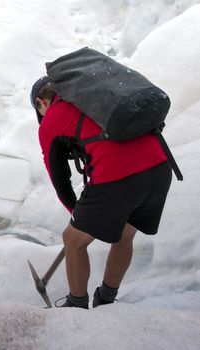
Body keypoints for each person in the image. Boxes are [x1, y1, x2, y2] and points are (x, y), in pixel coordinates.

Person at [30, 76, 172, 309]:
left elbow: (59, 177)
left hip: (118, 177)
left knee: (73, 239)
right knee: (125, 235)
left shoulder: (52, 120)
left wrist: (76, 214)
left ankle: (76, 305)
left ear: (40, 102)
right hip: (159, 168)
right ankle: (106, 299)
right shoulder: (95, 98)